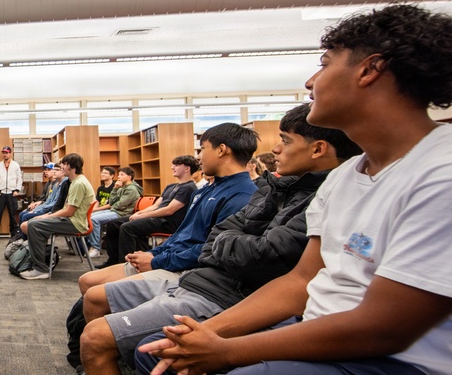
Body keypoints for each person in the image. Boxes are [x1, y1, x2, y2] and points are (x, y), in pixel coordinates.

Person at [137, 4, 452, 375]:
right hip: (323, 330)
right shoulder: (347, 173)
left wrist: (226, 352)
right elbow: (302, 280)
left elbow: (386, 328)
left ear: (370, 70)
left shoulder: (440, 174)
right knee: (158, 351)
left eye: (325, 62)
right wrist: (206, 334)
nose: (309, 83)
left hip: (395, 360)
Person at [78, 103, 361, 373]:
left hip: (213, 286)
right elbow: (215, 236)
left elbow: (262, 253)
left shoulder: (254, 192)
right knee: (93, 298)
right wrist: (173, 252)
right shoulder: (268, 189)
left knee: (101, 329)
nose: (275, 149)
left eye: (285, 141)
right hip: (200, 276)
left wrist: (161, 257)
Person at [78, 124, 257, 293]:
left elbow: (211, 250)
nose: (199, 157)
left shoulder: (242, 196)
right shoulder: (205, 190)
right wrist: (152, 253)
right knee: (87, 280)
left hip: (187, 269)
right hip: (170, 257)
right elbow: (182, 234)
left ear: (221, 149)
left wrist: (156, 260)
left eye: (203, 148)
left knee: (96, 295)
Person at [99, 156, 198, 269]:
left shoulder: (189, 187)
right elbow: (156, 206)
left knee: (127, 228)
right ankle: (113, 260)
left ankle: (126, 265)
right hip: (157, 218)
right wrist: (139, 213)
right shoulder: (171, 186)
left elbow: (169, 210)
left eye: (176, 165)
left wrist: (143, 216)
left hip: (168, 222)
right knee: (113, 224)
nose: (172, 167)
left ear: (187, 169)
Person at [19, 152, 96, 280]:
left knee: (33, 225)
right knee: (35, 224)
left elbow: (69, 211)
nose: (61, 168)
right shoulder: (75, 181)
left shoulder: (78, 184)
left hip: (74, 223)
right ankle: (43, 261)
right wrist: (49, 216)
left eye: (64, 165)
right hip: (71, 220)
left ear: (71, 167)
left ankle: (40, 269)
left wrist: (47, 217)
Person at [86, 167, 142, 258]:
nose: (119, 177)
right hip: (115, 210)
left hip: (122, 213)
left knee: (93, 219)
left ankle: (95, 248)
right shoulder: (121, 187)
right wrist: (115, 189)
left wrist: (113, 206)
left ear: (129, 177)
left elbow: (121, 205)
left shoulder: (131, 189)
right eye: (119, 174)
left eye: (122, 175)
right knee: (89, 215)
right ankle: (94, 245)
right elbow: (111, 202)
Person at [0, 145, 23, 239]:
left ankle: (14, 233)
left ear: (10, 154)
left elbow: (19, 178)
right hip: (1, 193)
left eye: (6, 152)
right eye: (3, 152)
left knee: (12, 214)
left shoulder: (15, 165)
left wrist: (17, 190)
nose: (5, 154)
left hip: (12, 193)